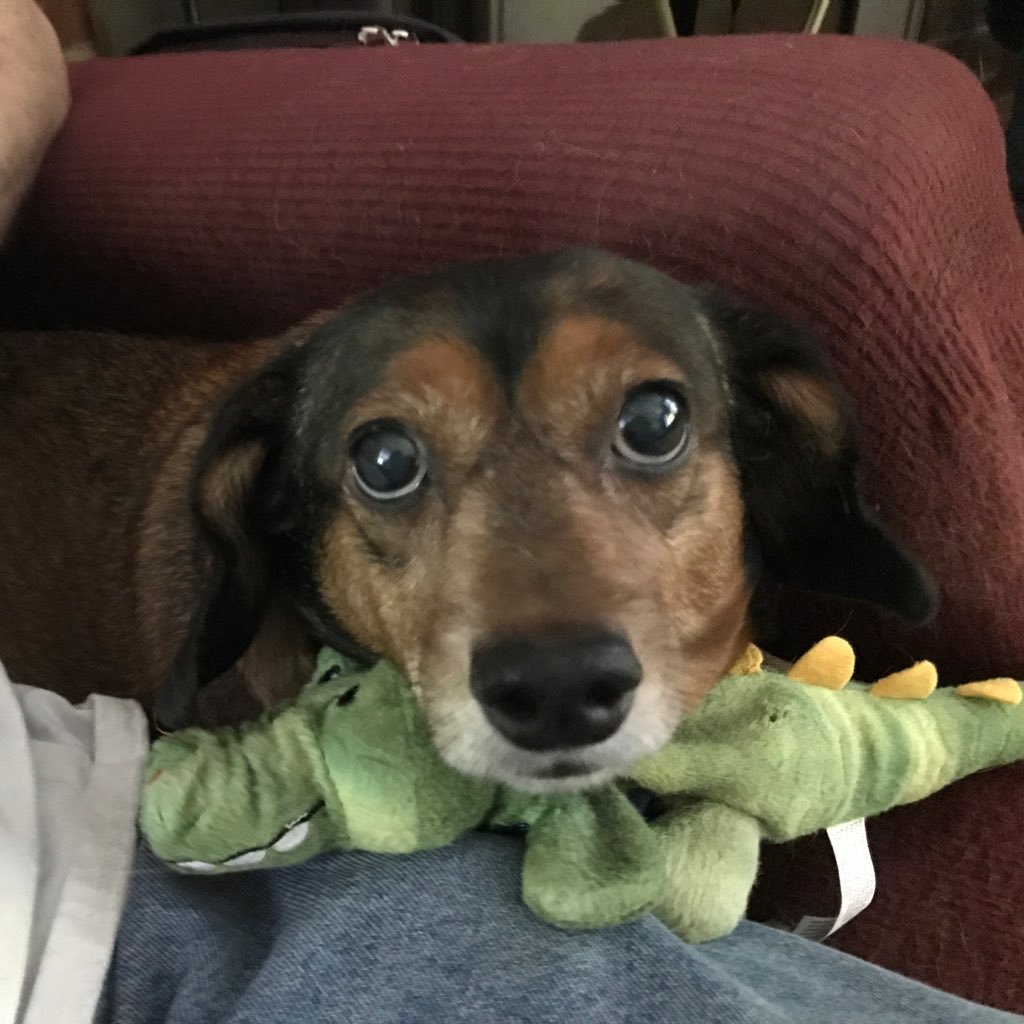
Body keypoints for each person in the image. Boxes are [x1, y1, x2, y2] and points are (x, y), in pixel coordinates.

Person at [0, 6, 1021, 1023]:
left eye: (649, 425)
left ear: (765, 450)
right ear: (280, 526)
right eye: (390, 464)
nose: (550, 633)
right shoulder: (271, 718)